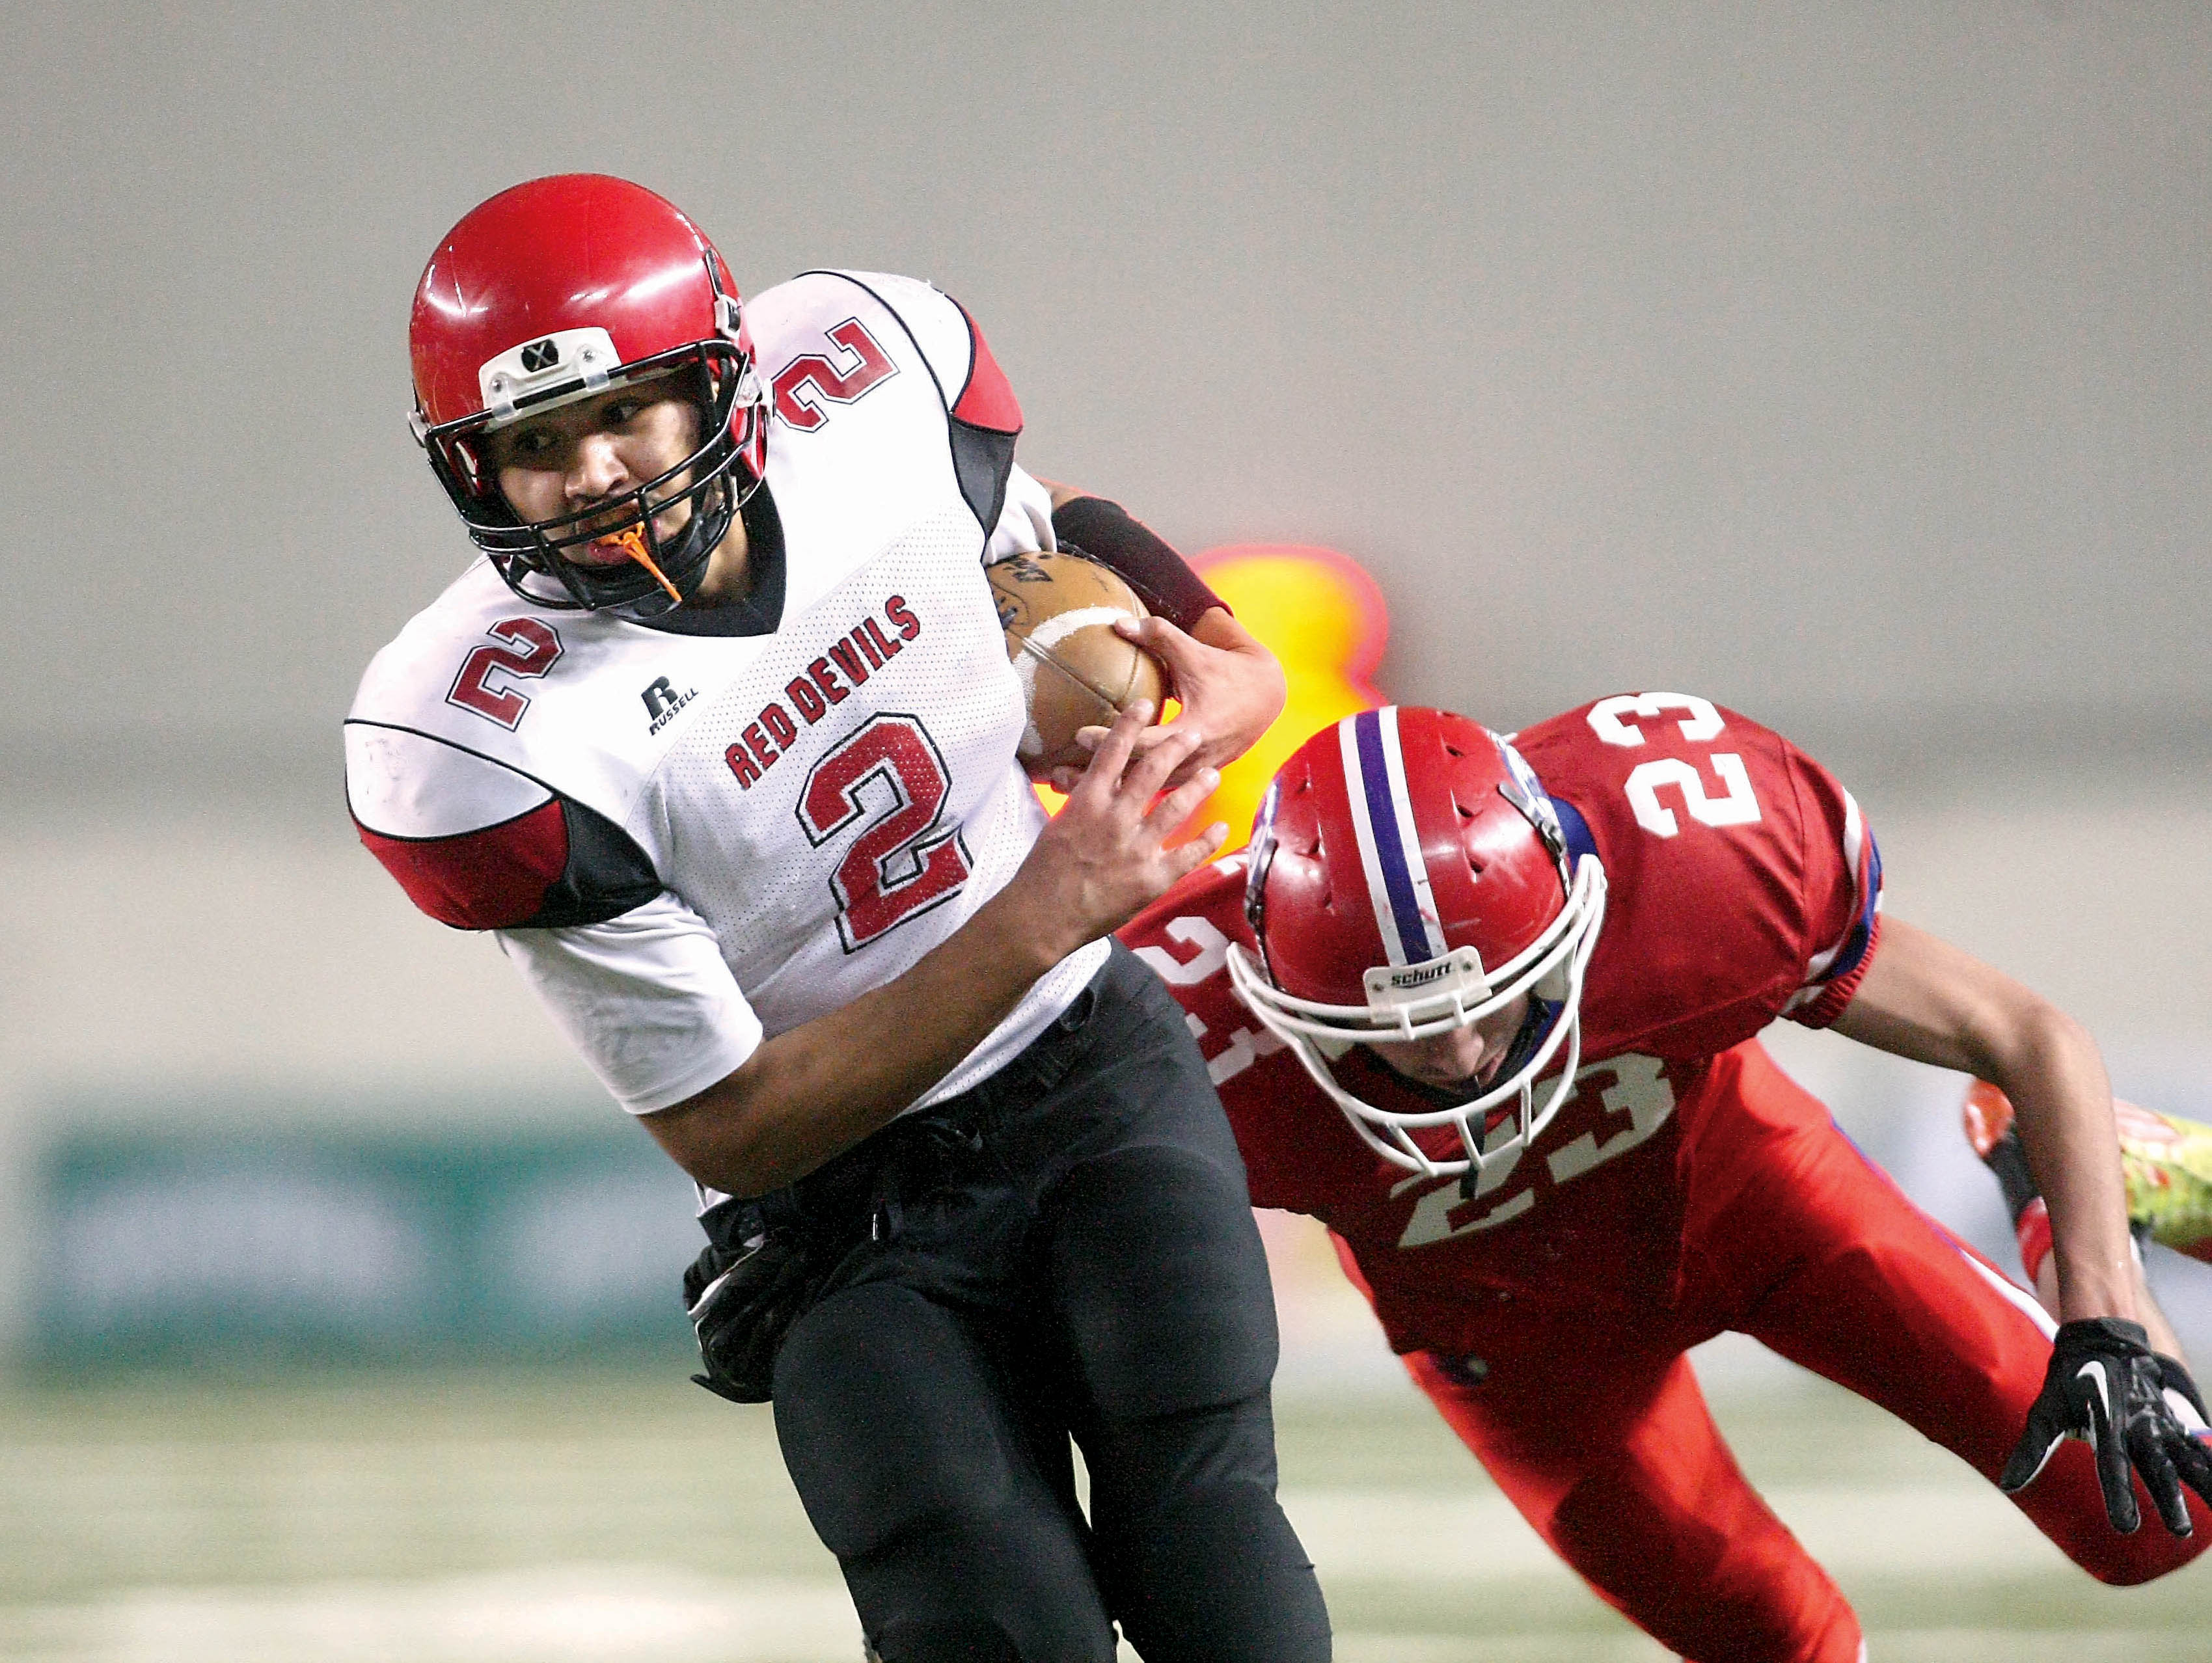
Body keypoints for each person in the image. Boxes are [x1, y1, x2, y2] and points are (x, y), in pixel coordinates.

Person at [344, 173, 1330, 1663]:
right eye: (533, 446)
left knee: (1226, 1579)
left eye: (624, 413)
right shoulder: (483, 738)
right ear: (472, 467)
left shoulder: (869, 393)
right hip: (839, 1213)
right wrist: (1045, 909)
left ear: (723, 384)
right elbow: (732, 1126)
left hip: (1089, 1077)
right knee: (997, 1629)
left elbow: (1041, 526)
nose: (591, 474)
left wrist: (1228, 659)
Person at [1118, 695, 2212, 1661]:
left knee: (2162, 1524)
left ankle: (2085, 1172)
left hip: (1757, 1199)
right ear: (1273, 983)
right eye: (1395, 1028)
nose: (1459, 1056)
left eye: (1490, 996)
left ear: (1570, 901)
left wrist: (2104, 1317)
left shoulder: (1693, 854)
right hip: (1515, 1340)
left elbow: (2022, 1031)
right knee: (1776, 1642)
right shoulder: (1171, 1037)